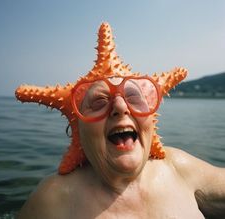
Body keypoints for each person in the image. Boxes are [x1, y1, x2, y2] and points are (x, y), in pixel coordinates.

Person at [15, 23, 225, 219]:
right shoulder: (53, 200)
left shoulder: (178, 167)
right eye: (99, 102)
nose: (121, 107)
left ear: (150, 121)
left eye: (133, 97)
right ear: (77, 128)